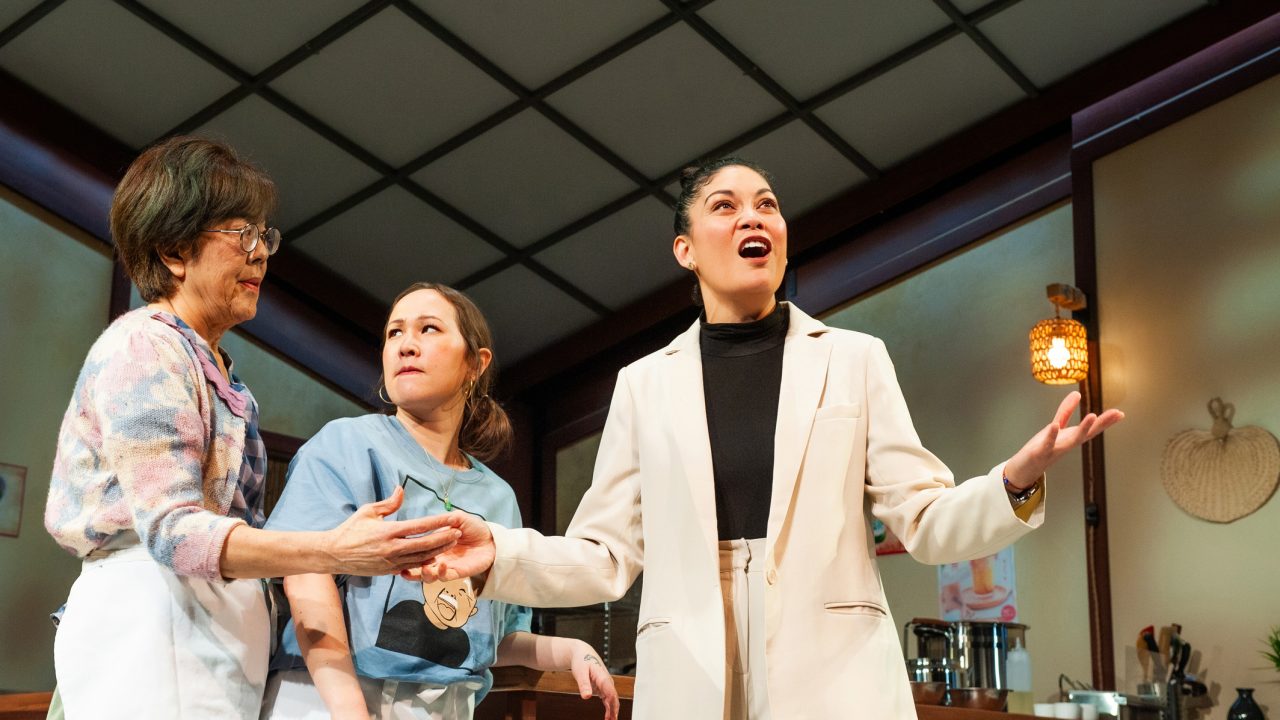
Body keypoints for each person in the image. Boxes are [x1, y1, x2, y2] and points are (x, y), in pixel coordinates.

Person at [414, 158, 1125, 719]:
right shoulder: (643, 384)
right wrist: (496, 554)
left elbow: (928, 523)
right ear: (685, 250)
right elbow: (605, 556)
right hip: (691, 667)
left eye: (768, 204)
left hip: (832, 669)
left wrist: (1015, 481)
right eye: (725, 206)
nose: (754, 216)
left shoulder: (855, 359)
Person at [44, 137, 465, 720]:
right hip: (152, 616)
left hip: (211, 621)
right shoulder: (146, 346)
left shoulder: (220, 373)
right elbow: (175, 532)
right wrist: (331, 550)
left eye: (264, 237)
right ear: (173, 250)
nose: (261, 254)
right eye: (242, 234)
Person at [261, 282, 619, 720]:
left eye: (428, 329)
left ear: (475, 363)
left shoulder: (497, 496)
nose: (405, 346)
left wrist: (571, 651)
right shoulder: (347, 444)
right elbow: (305, 577)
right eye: (394, 333)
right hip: (330, 695)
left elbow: (490, 636)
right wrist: (350, 710)